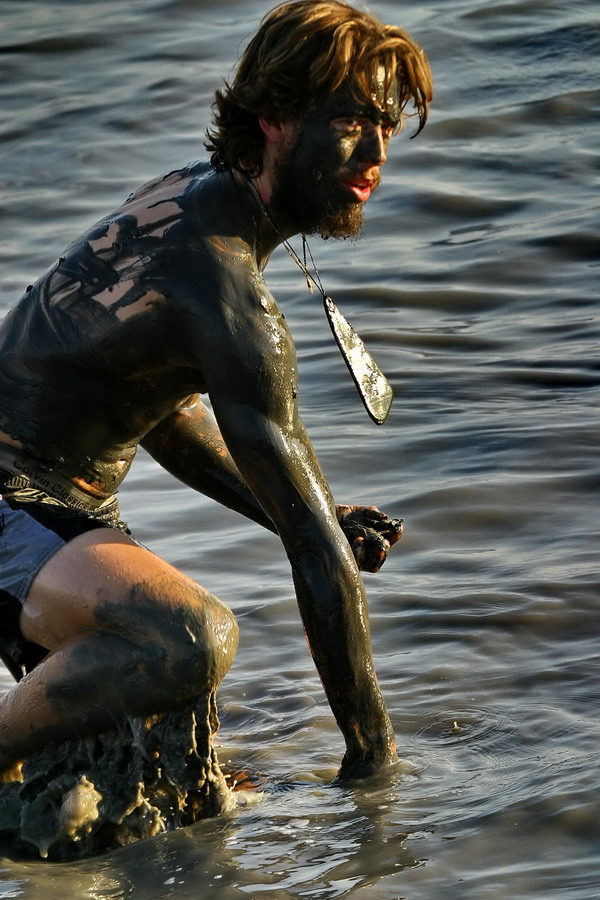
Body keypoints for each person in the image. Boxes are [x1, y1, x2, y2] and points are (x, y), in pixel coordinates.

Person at [0, 0, 432, 782]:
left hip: (53, 517)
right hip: (14, 501)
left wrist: (316, 516)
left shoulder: (195, 196)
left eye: (387, 125)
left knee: (172, 788)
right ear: (273, 117)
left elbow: (161, 411)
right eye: (349, 120)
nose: (374, 151)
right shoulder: (223, 284)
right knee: (190, 639)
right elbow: (314, 550)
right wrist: (372, 760)